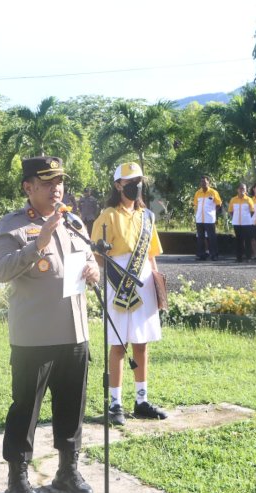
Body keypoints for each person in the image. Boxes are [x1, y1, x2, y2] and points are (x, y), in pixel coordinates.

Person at [0, 156, 99, 493]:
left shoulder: (75, 223)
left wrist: (94, 272)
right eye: (48, 183)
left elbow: (90, 261)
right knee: (25, 408)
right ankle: (17, 479)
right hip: (34, 336)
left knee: (72, 405)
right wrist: (37, 243)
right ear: (28, 187)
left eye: (60, 182)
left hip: (74, 333)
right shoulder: (13, 225)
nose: (57, 189)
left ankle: (68, 471)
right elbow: (1, 271)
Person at [91, 162, 168, 428]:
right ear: (117, 186)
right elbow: (97, 258)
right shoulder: (108, 216)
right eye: (130, 181)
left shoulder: (148, 216)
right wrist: (115, 274)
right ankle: (115, 403)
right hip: (119, 285)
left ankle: (142, 400)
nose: (136, 185)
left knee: (141, 343)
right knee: (119, 344)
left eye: (138, 181)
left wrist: (157, 288)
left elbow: (151, 255)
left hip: (144, 281)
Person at [192, 175, 222, 261]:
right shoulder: (197, 193)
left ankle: (214, 255)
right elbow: (195, 205)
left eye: (205, 182)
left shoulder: (213, 192)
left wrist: (213, 212)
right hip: (199, 218)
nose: (203, 183)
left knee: (212, 237)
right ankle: (202, 255)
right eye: (202, 182)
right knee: (200, 237)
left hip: (209, 219)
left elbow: (219, 204)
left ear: (208, 182)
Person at [228, 184, 255, 262]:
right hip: (237, 223)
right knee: (238, 241)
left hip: (246, 223)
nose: (242, 190)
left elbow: (252, 211)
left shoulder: (249, 199)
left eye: (243, 189)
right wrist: (235, 217)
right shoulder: (233, 199)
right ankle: (239, 257)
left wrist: (246, 218)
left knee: (247, 241)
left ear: (246, 190)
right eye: (240, 188)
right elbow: (230, 211)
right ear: (237, 190)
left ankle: (248, 257)